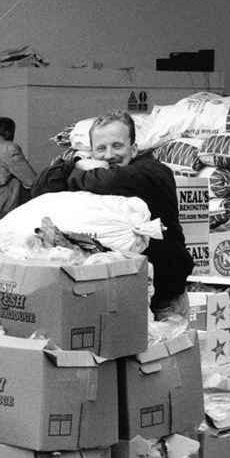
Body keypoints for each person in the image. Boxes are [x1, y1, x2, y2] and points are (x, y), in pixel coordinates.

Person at [31, 110, 193, 320]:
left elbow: (107, 181)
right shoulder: (90, 169)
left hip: (163, 301)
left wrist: (80, 172)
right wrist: (74, 163)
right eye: (101, 148)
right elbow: (40, 189)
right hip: (116, 300)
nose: (109, 155)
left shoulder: (153, 172)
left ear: (134, 148)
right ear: (91, 152)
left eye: (117, 146)